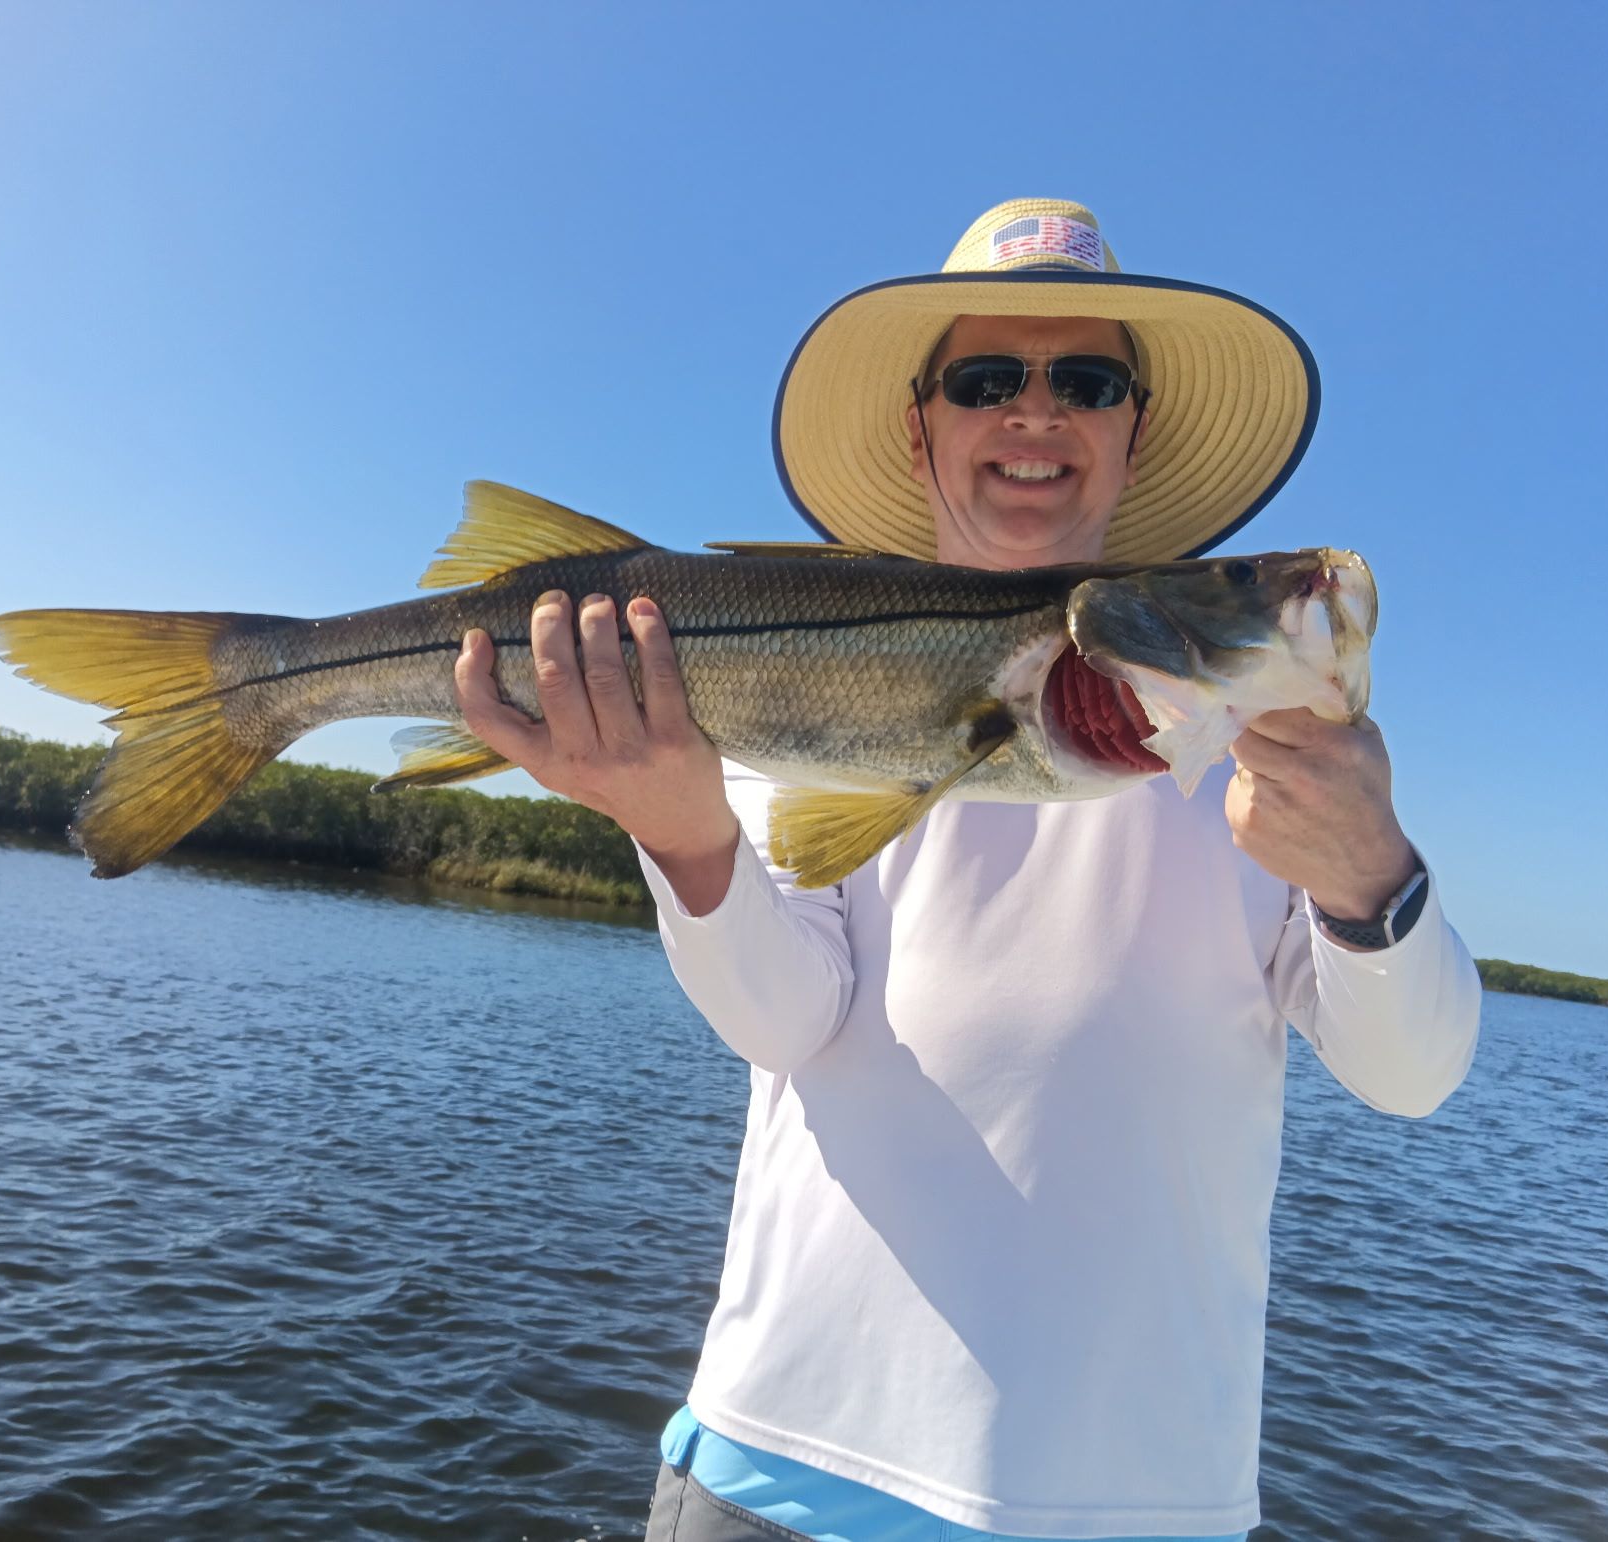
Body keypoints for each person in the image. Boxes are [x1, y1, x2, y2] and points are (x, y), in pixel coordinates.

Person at [453, 199, 1482, 1541]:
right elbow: (786, 1019)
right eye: (988, 378)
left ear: (1135, 427)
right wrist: (683, 832)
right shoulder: (794, 674)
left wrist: (1370, 878)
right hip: (783, 1464)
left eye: (1088, 381)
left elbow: (1414, 1073)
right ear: (922, 424)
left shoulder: (1274, 759)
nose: (1035, 412)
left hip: (1140, 1508)